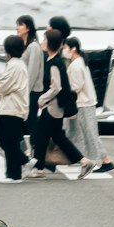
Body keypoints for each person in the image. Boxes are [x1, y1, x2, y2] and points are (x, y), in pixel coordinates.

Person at [25, 29, 87, 178]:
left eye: (45, 40)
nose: (42, 42)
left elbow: (56, 87)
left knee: (40, 136)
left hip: (53, 107)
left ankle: (39, 168)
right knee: (58, 137)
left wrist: (42, 99)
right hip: (55, 107)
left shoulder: (53, 62)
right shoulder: (54, 60)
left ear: (50, 43)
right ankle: (84, 162)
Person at [65, 38, 114, 176]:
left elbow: (76, 86)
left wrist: (65, 90)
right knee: (81, 133)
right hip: (86, 102)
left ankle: (106, 160)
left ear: (73, 48)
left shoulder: (75, 65)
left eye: (66, 48)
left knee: (90, 133)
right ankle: (80, 158)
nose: (64, 51)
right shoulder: (80, 62)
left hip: (83, 103)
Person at [0, 36, 30, 181]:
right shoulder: (19, 64)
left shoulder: (14, 65)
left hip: (11, 108)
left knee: (4, 139)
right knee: (10, 140)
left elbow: (4, 86)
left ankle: (23, 163)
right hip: (16, 107)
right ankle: (14, 174)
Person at [17, 16, 45, 146]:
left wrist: (24, 93)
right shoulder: (26, 45)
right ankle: (33, 149)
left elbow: (32, 72)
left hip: (32, 91)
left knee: (30, 122)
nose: (17, 27)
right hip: (27, 90)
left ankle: (36, 149)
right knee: (27, 122)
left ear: (28, 28)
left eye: (20, 25)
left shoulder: (33, 46)